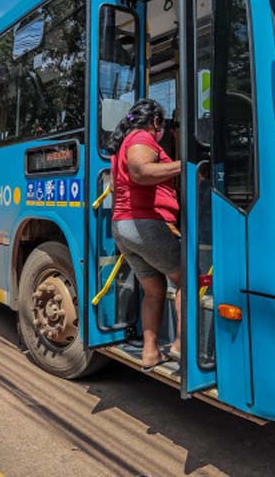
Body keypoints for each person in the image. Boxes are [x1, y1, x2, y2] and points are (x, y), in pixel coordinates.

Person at [107, 99, 182, 371]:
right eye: (162, 124)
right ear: (155, 122)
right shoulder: (142, 137)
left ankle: (150, 353)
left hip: (124, 226)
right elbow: (141, 172)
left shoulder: (122, 146)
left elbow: (117, 188)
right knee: (187, 279)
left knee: (154, 290)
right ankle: (180, 345)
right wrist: (185, 165)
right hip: (147, 223)